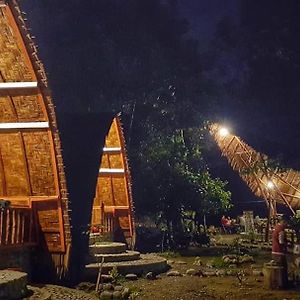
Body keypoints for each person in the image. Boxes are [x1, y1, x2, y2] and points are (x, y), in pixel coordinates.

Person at [271, 215, 289, 287]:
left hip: (274, 250)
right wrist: (287, 244)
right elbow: (281, 242)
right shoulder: (281, 230)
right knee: (283, 268)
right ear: (283, 222)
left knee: (278, 268)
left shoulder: (276, 228)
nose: (286, 225)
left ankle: (279, 283)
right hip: (279, 251)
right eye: (286, 223)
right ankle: (283, 284)